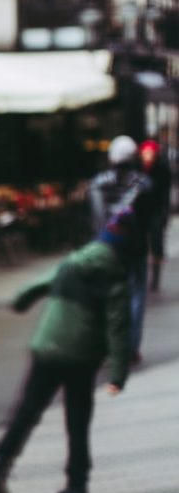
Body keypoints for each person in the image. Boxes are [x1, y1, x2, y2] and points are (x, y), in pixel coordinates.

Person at [0, 209, 136, 493]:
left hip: (47, 346)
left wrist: (20, 302)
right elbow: (118, 330)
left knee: (28, 409)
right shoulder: (116, 278)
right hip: (82, 357)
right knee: (77, 422)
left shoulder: (73, 263)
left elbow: (35, 285)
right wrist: (118, 375)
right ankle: (76, 489)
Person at [89, 135, 154, 364]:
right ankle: (131, 347)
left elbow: (95, 219)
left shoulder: (98, 182)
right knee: (135, 297)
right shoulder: (144, 183)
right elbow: (149, 220)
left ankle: (109, 346)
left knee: (109, 298)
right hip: (134, 248)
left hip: (106, 248)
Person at [141, 139, 172, 291]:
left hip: (156, 212)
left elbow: (165, 195)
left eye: (149, 153)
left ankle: (155, 277)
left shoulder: (162, 170)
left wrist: (164, 214)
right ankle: (144, 275)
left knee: (156, 245)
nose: (147, 157)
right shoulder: (139, 170)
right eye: (145, 153)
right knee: (141, 244)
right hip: (142, 214)